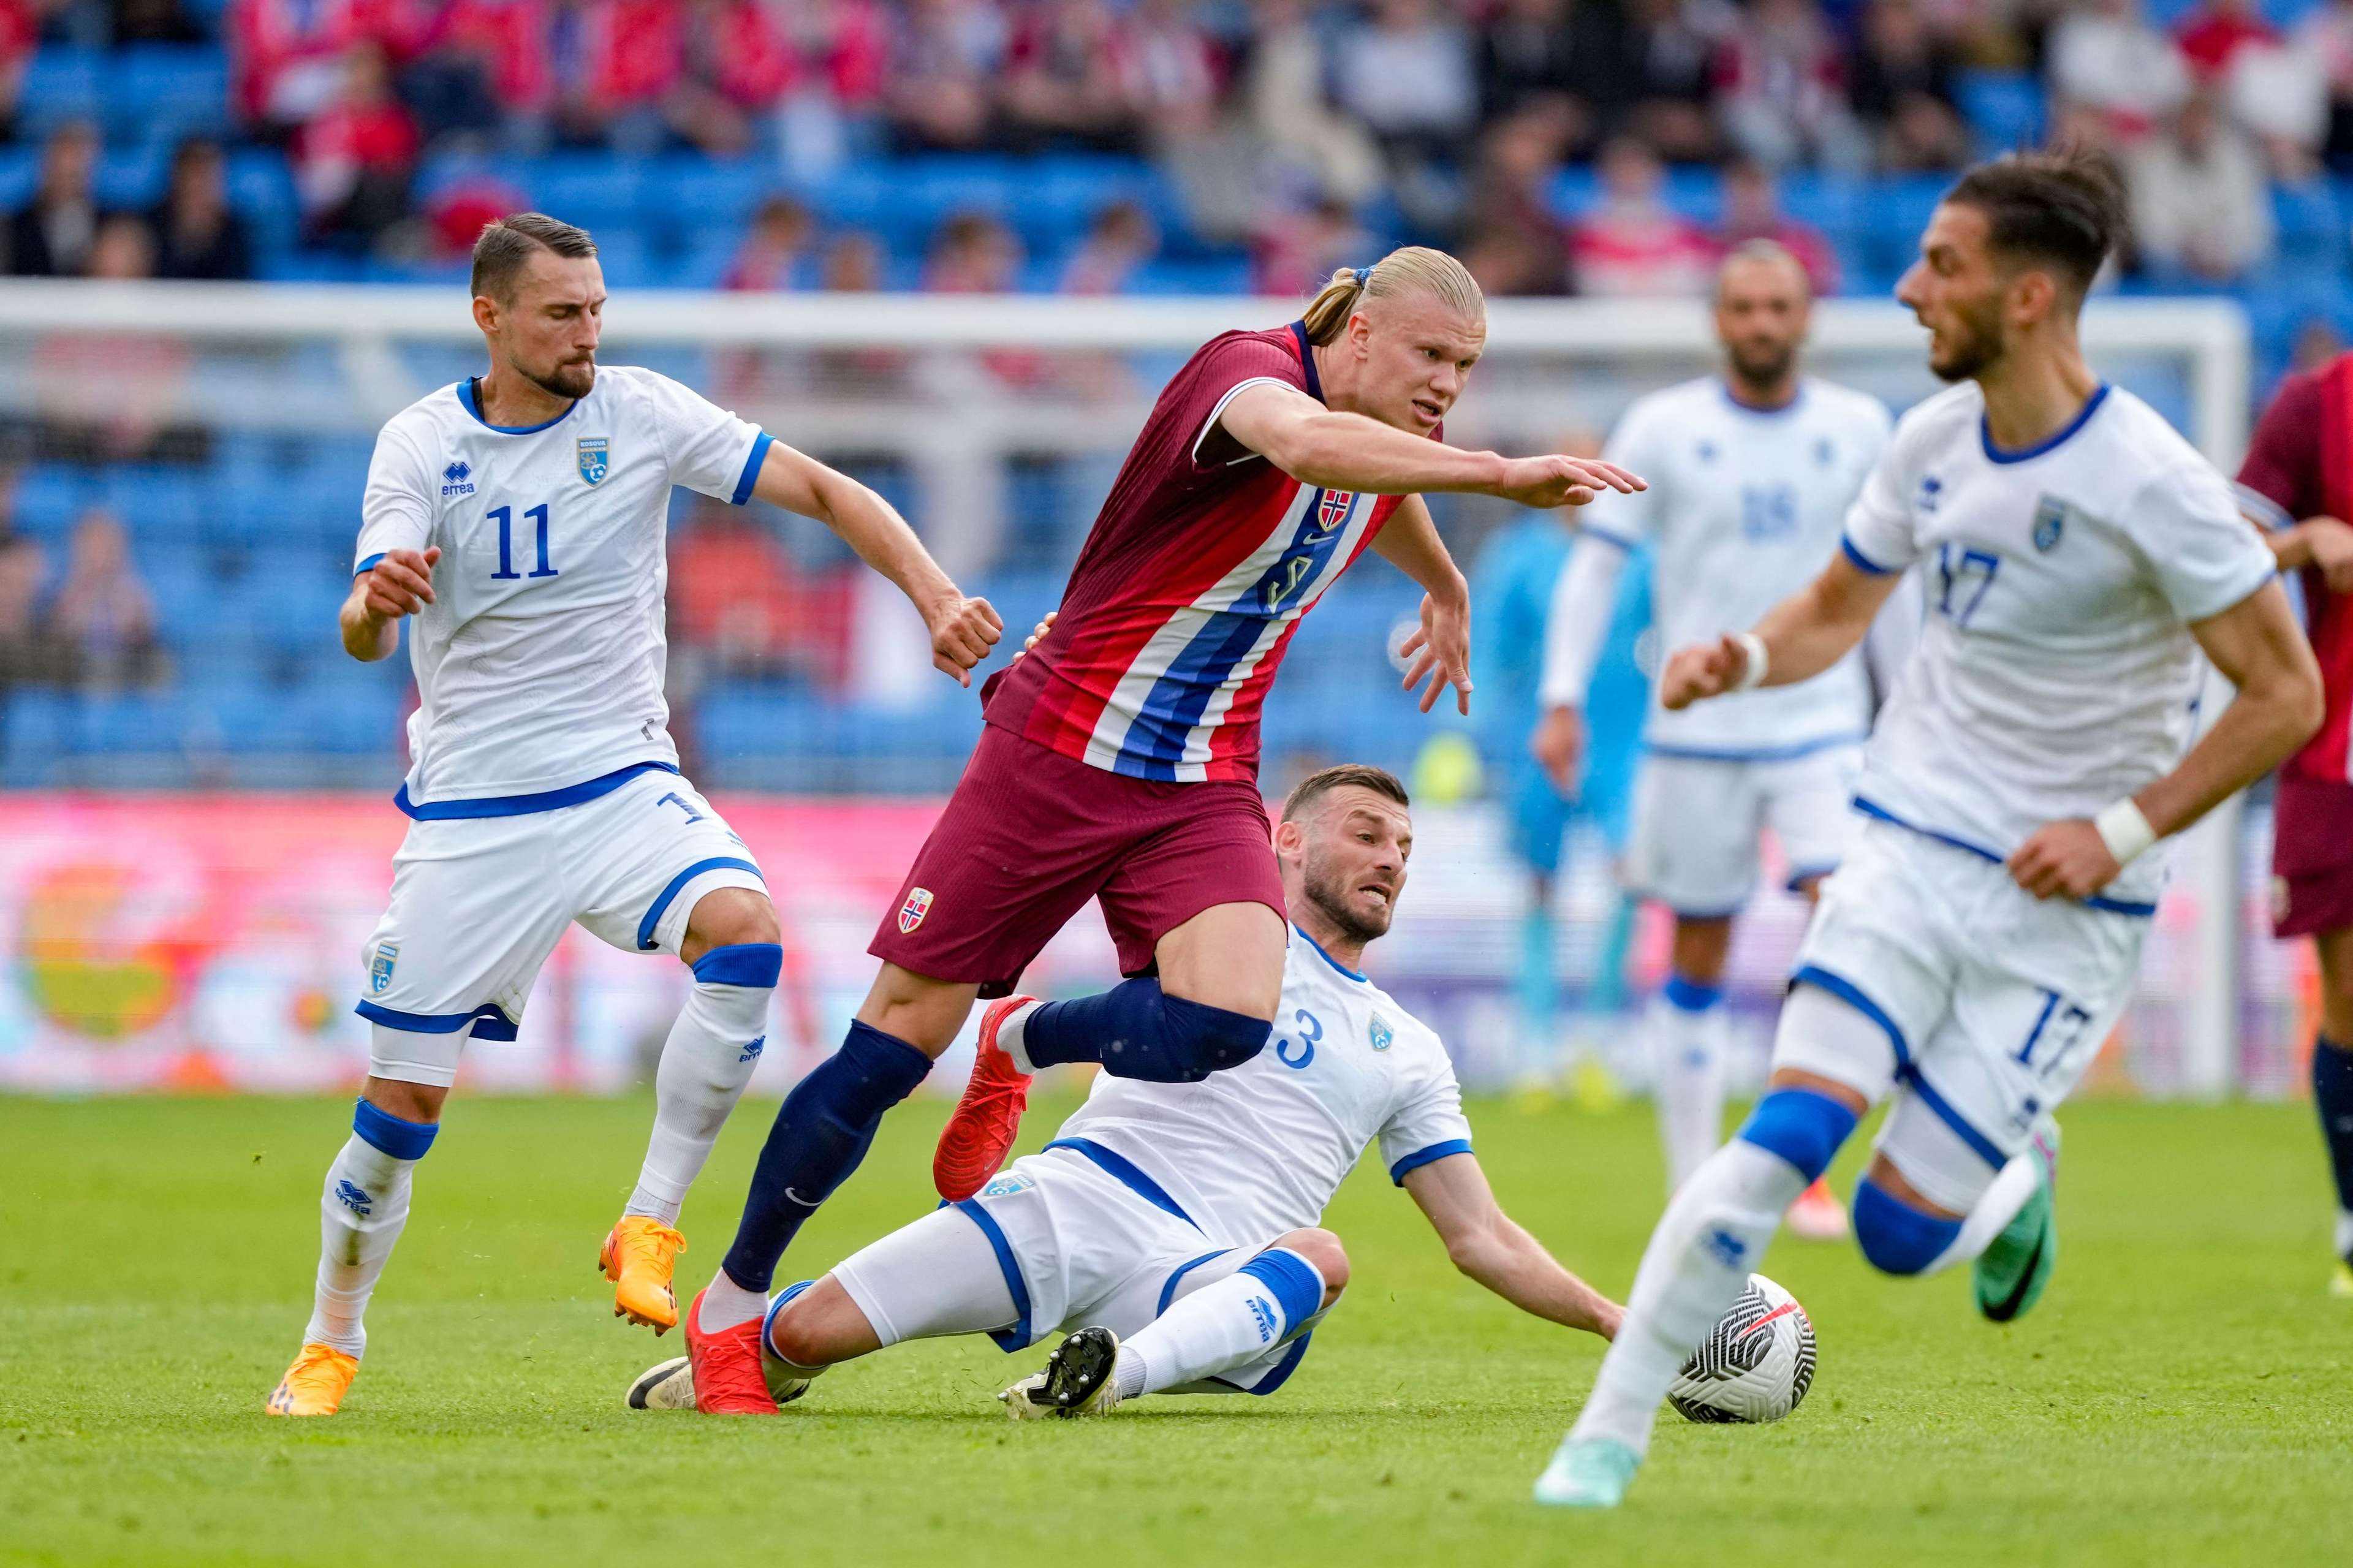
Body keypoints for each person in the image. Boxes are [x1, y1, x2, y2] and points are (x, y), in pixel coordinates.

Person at [678, 247, 1643, 1415]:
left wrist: (1446, 583)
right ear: (1357, 332)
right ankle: (733, 1308)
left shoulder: (1373, 442)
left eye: (1467, 366)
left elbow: (1379, 491)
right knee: (894, 1041)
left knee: (1231, 1016)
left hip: (1198, 777)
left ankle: (1023, 1042)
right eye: (1431, 355)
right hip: (1060, 747)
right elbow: (1310, 449)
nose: (1447, 381)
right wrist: (1497, 474)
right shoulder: (1248, 378)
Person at [1534, 150, 2320, 1509]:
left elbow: (2286, 693)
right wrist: (1738, 652)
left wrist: (2120, 830)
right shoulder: (1929, 441)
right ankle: (1600, 1443)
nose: (1907, 290)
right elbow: (1835, 610)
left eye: (1940, 266)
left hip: (2068, 908)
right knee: (1779, 1138)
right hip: (1906, 839)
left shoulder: (2157, 482)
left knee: (1900, 1233)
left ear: (2027, 297)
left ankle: (2009, 1188)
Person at [262, 212, 1002, 1418]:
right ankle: (329, 1338)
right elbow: (363, 626)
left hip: (621, 781)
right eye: (562, 313)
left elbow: (820, 486)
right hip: (473, 812)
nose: (587, 333)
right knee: (400, 1111)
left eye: (597, 308)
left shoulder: (643, 414)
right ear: (489, 317)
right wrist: (373, 605)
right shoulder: (422, 441)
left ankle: (649, 1221)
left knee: (747, 933)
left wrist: (931, 592)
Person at [629, 764, 1624, 1418]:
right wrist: (1026, 1036)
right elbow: (1118, 997)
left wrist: (1620, 1324)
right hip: (1073, 1198)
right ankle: (755, 1348)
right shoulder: (1219, 937)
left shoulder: (1410, 1049)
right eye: (1367, 835)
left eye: (1404, 850)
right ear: (1285, 839)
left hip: (1211, 1270)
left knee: (1320, 1256)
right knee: (803, 1338)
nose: (1389, 863)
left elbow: (1480, 1239)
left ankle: (1105, 1379)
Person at [1535, 241, 1906, 1240]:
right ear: (1718, 319)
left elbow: (1892, 585)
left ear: (1805, 317)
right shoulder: (1664, 426)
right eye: (1742, 306)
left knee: (1848, 925)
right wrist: (1563, 695)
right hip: (1694, 731)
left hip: (1822, 722)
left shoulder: (1859, 426)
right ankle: (1696, 1185)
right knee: (1698, 947)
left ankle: (1804, 1160)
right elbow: (1598, 566)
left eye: (1777, 305)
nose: (1760, 323)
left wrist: (1907, 707)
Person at [2230, 351, 2353, 1298]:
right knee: (2347, 992)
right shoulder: (2316, 405)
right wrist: (2307, 539)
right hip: (2339, 740)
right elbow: (2224, 548)